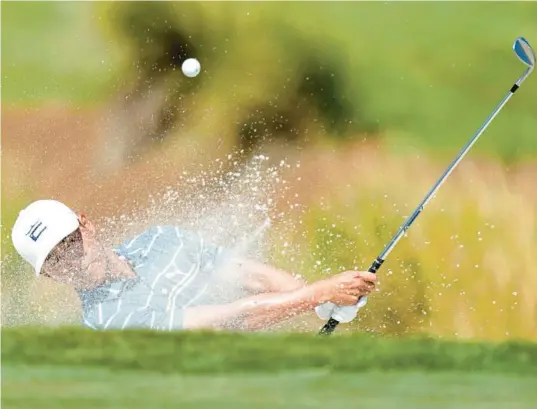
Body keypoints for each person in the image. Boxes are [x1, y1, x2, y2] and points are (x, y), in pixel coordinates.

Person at [11, 199, 377, 332]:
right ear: (48, 276)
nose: (70, 261)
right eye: (54, 260)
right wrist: (319, 293)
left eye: (70, 242)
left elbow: (246, 274)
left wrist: (321, 301)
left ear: (86, 224)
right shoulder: (109, 324)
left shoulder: (159, 240)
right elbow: (229, 320)